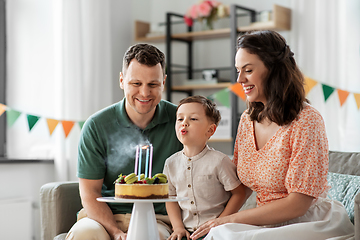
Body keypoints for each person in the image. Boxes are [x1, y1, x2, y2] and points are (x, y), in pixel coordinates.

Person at [190, 30, 355, 240]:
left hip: (308, 220)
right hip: (265, 223)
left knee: (226, 233)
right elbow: (241, 188)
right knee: (220, 233)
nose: (240, 79)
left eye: (248, 70)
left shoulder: (306, 120)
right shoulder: (247, 119)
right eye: (238, 70)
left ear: (274, 70)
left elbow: (298, 204)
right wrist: (214, 220)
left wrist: (226, 221)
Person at [65, 43, 183, 240]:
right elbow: (90, 193)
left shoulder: (180, 120)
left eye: (153, 84)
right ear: (122, 80)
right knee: (84, 234)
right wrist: (116, 232)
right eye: (136, 84)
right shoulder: (96, 125)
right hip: (102, 217)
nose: (144, 93)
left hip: (158, 218)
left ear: (163, 82)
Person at [163, 95, 244, 240]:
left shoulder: (220, 161)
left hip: (218, 232)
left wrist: (219, 222)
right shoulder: (170, 163)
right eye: (180, 119)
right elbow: (170, 198)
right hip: (186, 232)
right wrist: (178, 228)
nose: (184, 123)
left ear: (210, 130)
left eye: (193, 119)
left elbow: (239, 194)